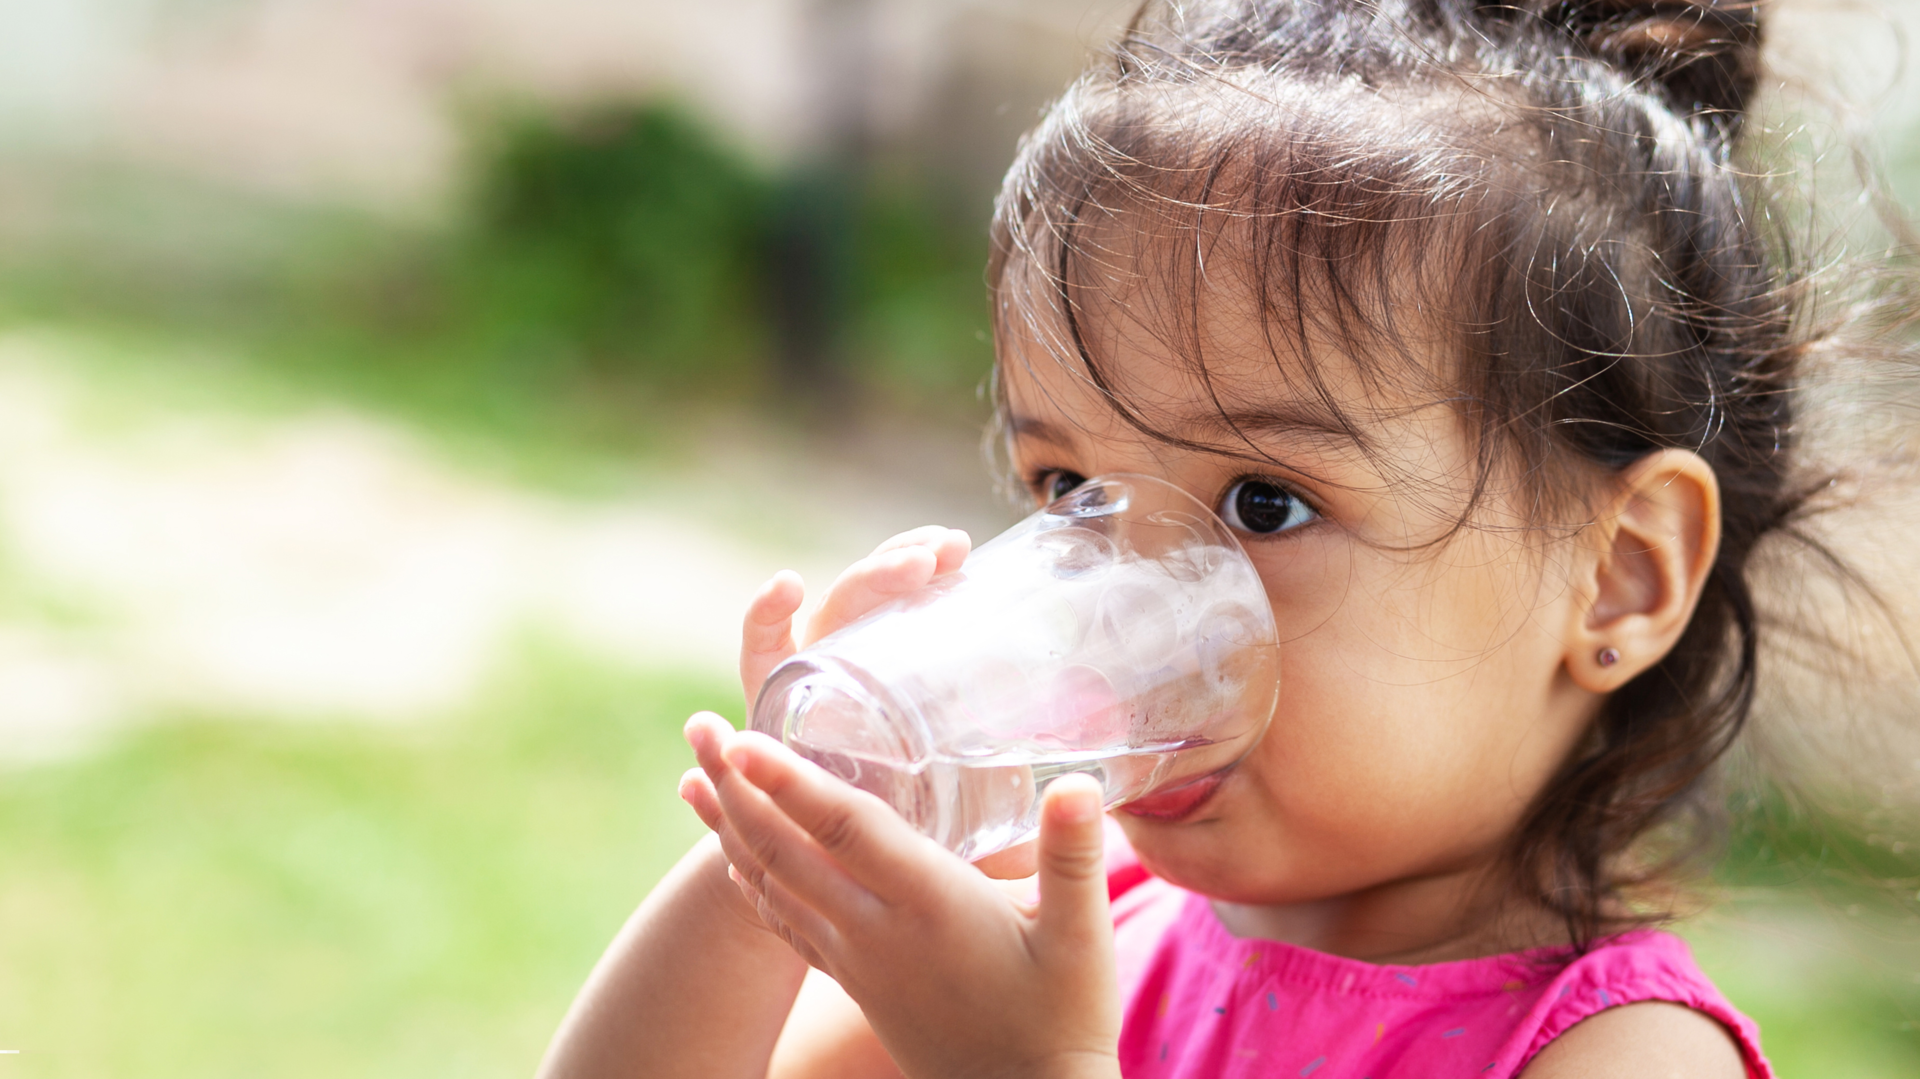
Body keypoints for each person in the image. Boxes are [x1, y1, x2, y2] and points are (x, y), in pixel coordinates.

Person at [533, 0, 1889, 1074]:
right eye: (1069, 485)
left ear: (1621, 577)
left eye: (1264, 504)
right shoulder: (1097, 928)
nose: (1118, 605)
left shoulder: (1616, 1052)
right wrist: (775, 866)